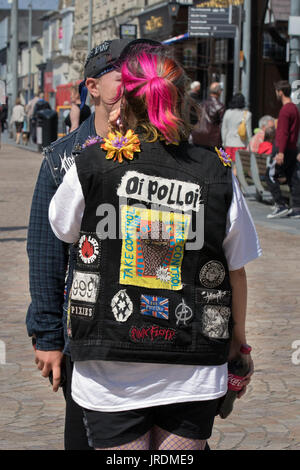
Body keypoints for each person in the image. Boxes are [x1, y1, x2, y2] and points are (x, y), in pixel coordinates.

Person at [48, 50, 261, 451]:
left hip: (110, 358)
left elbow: (62, 227)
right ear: (182, 101)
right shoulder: (215, 171)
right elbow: (237, 266)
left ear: (123, 100)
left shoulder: (94, 162)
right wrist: (239, 339)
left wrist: (111, 145)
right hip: (193, 358)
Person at [26, 38, 165, 451]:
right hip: (86, 337)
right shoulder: (62, 159)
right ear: (92, 87)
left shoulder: (160, 152)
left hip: (156, 333)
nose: (134, 86)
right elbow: (46, 254)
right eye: (123, 79)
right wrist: (48, 337)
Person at [266, 80, 300, 219]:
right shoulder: (295, 109)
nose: (276, 94)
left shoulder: (285, 110)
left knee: (270, 175)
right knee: (293, 178)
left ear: (280, 92)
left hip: (282, 149)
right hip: (292, 148)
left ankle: (280, 205)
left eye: (276, 91)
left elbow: (283, 132)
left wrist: (280, 152)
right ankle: (297, 207)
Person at [221, 93, 252, 167]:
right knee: (239, 168)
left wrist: (224, 142)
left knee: (228, 167)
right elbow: (248, 132)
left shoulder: (227, 112)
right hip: (241, 144)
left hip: (228, 144)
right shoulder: (247, 114)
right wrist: (249, 145)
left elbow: (224, 129)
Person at [191, 82, 225, 147]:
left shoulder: (201, 104)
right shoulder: (220, 106)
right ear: (219, 92)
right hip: (212, 138)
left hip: (197, 135)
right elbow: (222, 124)